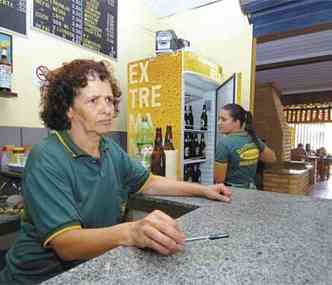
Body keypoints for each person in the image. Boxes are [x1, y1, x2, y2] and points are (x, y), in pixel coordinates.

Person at [0, 59, 232, 284]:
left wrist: (203, 189)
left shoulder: (109, 148)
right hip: (41, 277)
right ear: (69, 109)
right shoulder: (47, 156)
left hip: (90, 269)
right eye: (93, 100)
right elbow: (66, 244)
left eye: (109, 100)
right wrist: (131, 232)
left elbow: (149, 182)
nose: (107, 109)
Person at [214, 103, 276, 189]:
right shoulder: (253, 139)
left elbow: (218, 181)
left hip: (233, 193)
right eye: (219, 119)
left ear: (237, 122)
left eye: (223, 120)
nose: (218, 123)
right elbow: (272, 158)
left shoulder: (224, 144)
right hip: (251, 189)